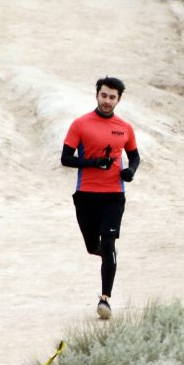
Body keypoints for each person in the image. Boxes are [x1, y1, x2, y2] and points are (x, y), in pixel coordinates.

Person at [61, 76, 140, 320]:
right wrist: (94, 163)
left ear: (119, 99)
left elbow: (135, 156)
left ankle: (104, 299)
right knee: (92, 247)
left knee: (108, 243)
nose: (107, 101)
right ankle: (109, 256)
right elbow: (66, 158)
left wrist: (130, 171)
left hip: (114, 196)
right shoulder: (80, 124)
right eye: (104, 95)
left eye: (112, 97)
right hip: (85, 194)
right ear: (97, 95)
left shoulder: (125, 127)